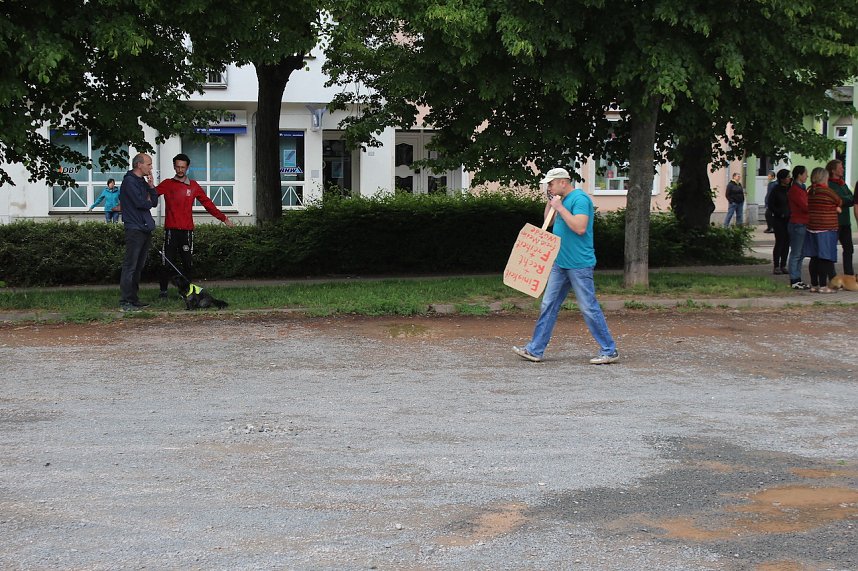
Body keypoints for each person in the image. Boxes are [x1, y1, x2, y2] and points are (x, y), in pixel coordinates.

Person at [512, 168, 618, 365]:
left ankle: (609, 350)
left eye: (551, 184)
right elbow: (548, 222)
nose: (548, 187)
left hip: (579, 264)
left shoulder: (580, 199)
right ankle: (535, 350)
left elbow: (580, 227)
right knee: (548, 305)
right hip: (560, 263)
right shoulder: (559, 200)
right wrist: (551, 202)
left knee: (588, 307)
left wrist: (560, 207)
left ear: (563, 182)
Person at [156, 153, 235, 298]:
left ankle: (186, 292)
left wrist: (223, 218)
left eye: (183, 167)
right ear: (174, 166)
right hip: (170, 231)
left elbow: (207, 204)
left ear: (187, 168)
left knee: (187, 264)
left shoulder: (193, 186)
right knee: (166, 262)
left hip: (187, 232)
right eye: (177, 167)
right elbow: (151, 196)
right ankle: (163, 292)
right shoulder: (167, 184)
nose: (180, 170)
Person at [119, 153, 159, 312]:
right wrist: (147, 200)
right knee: (130, 265)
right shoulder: (129, 181)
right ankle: (125, 301)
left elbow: (153, 202)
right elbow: (141, 203)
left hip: (145, 227)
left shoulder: (142, 182)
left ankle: (133, 299)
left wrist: (151, 187)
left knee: (138, 266)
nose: (151, 167)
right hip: (134, 228)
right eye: (148, 164)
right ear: (139, 165)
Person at [803, 167, 841, 293]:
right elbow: (838, 201)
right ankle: (824, 286)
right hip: (826, 228)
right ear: (824, 178)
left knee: (814, 257)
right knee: (825, 257)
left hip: (812, 227)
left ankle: (814, 285)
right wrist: (836, 208)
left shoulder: (810, 191)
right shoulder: (827, 191)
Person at [826, 159, 854, 278]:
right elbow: (837, 199)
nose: (842, 168)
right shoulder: (829, 184)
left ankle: (849, 274)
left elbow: (851, 198)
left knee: (849, 249)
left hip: (845, 221)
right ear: (833, 170)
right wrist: (845, 200)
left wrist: (844, 200)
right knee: (832, 249)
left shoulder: (842, 183)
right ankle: (832, 275)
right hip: (835, 221)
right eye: (840, 167)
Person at [786, 165, 810, 289]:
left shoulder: (801, 188)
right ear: (799, 175)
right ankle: (794, 279)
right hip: (797, 223)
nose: (807, 176)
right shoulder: (795, 189)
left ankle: (798, 278)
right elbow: (804, 206)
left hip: (802, 223)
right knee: (796, 253)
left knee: (800, 253)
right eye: (805, 174)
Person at [768, 169, 791, 274]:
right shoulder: (776, 190)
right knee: (780, 242)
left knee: (787, 243)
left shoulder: (790, 189)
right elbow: (771, 204)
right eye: (787, 177)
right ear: (782, 179)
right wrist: (779, 213)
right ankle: (776, 265)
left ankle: (783, 264)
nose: (789, 179)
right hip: (779, 219)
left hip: (789, 219)